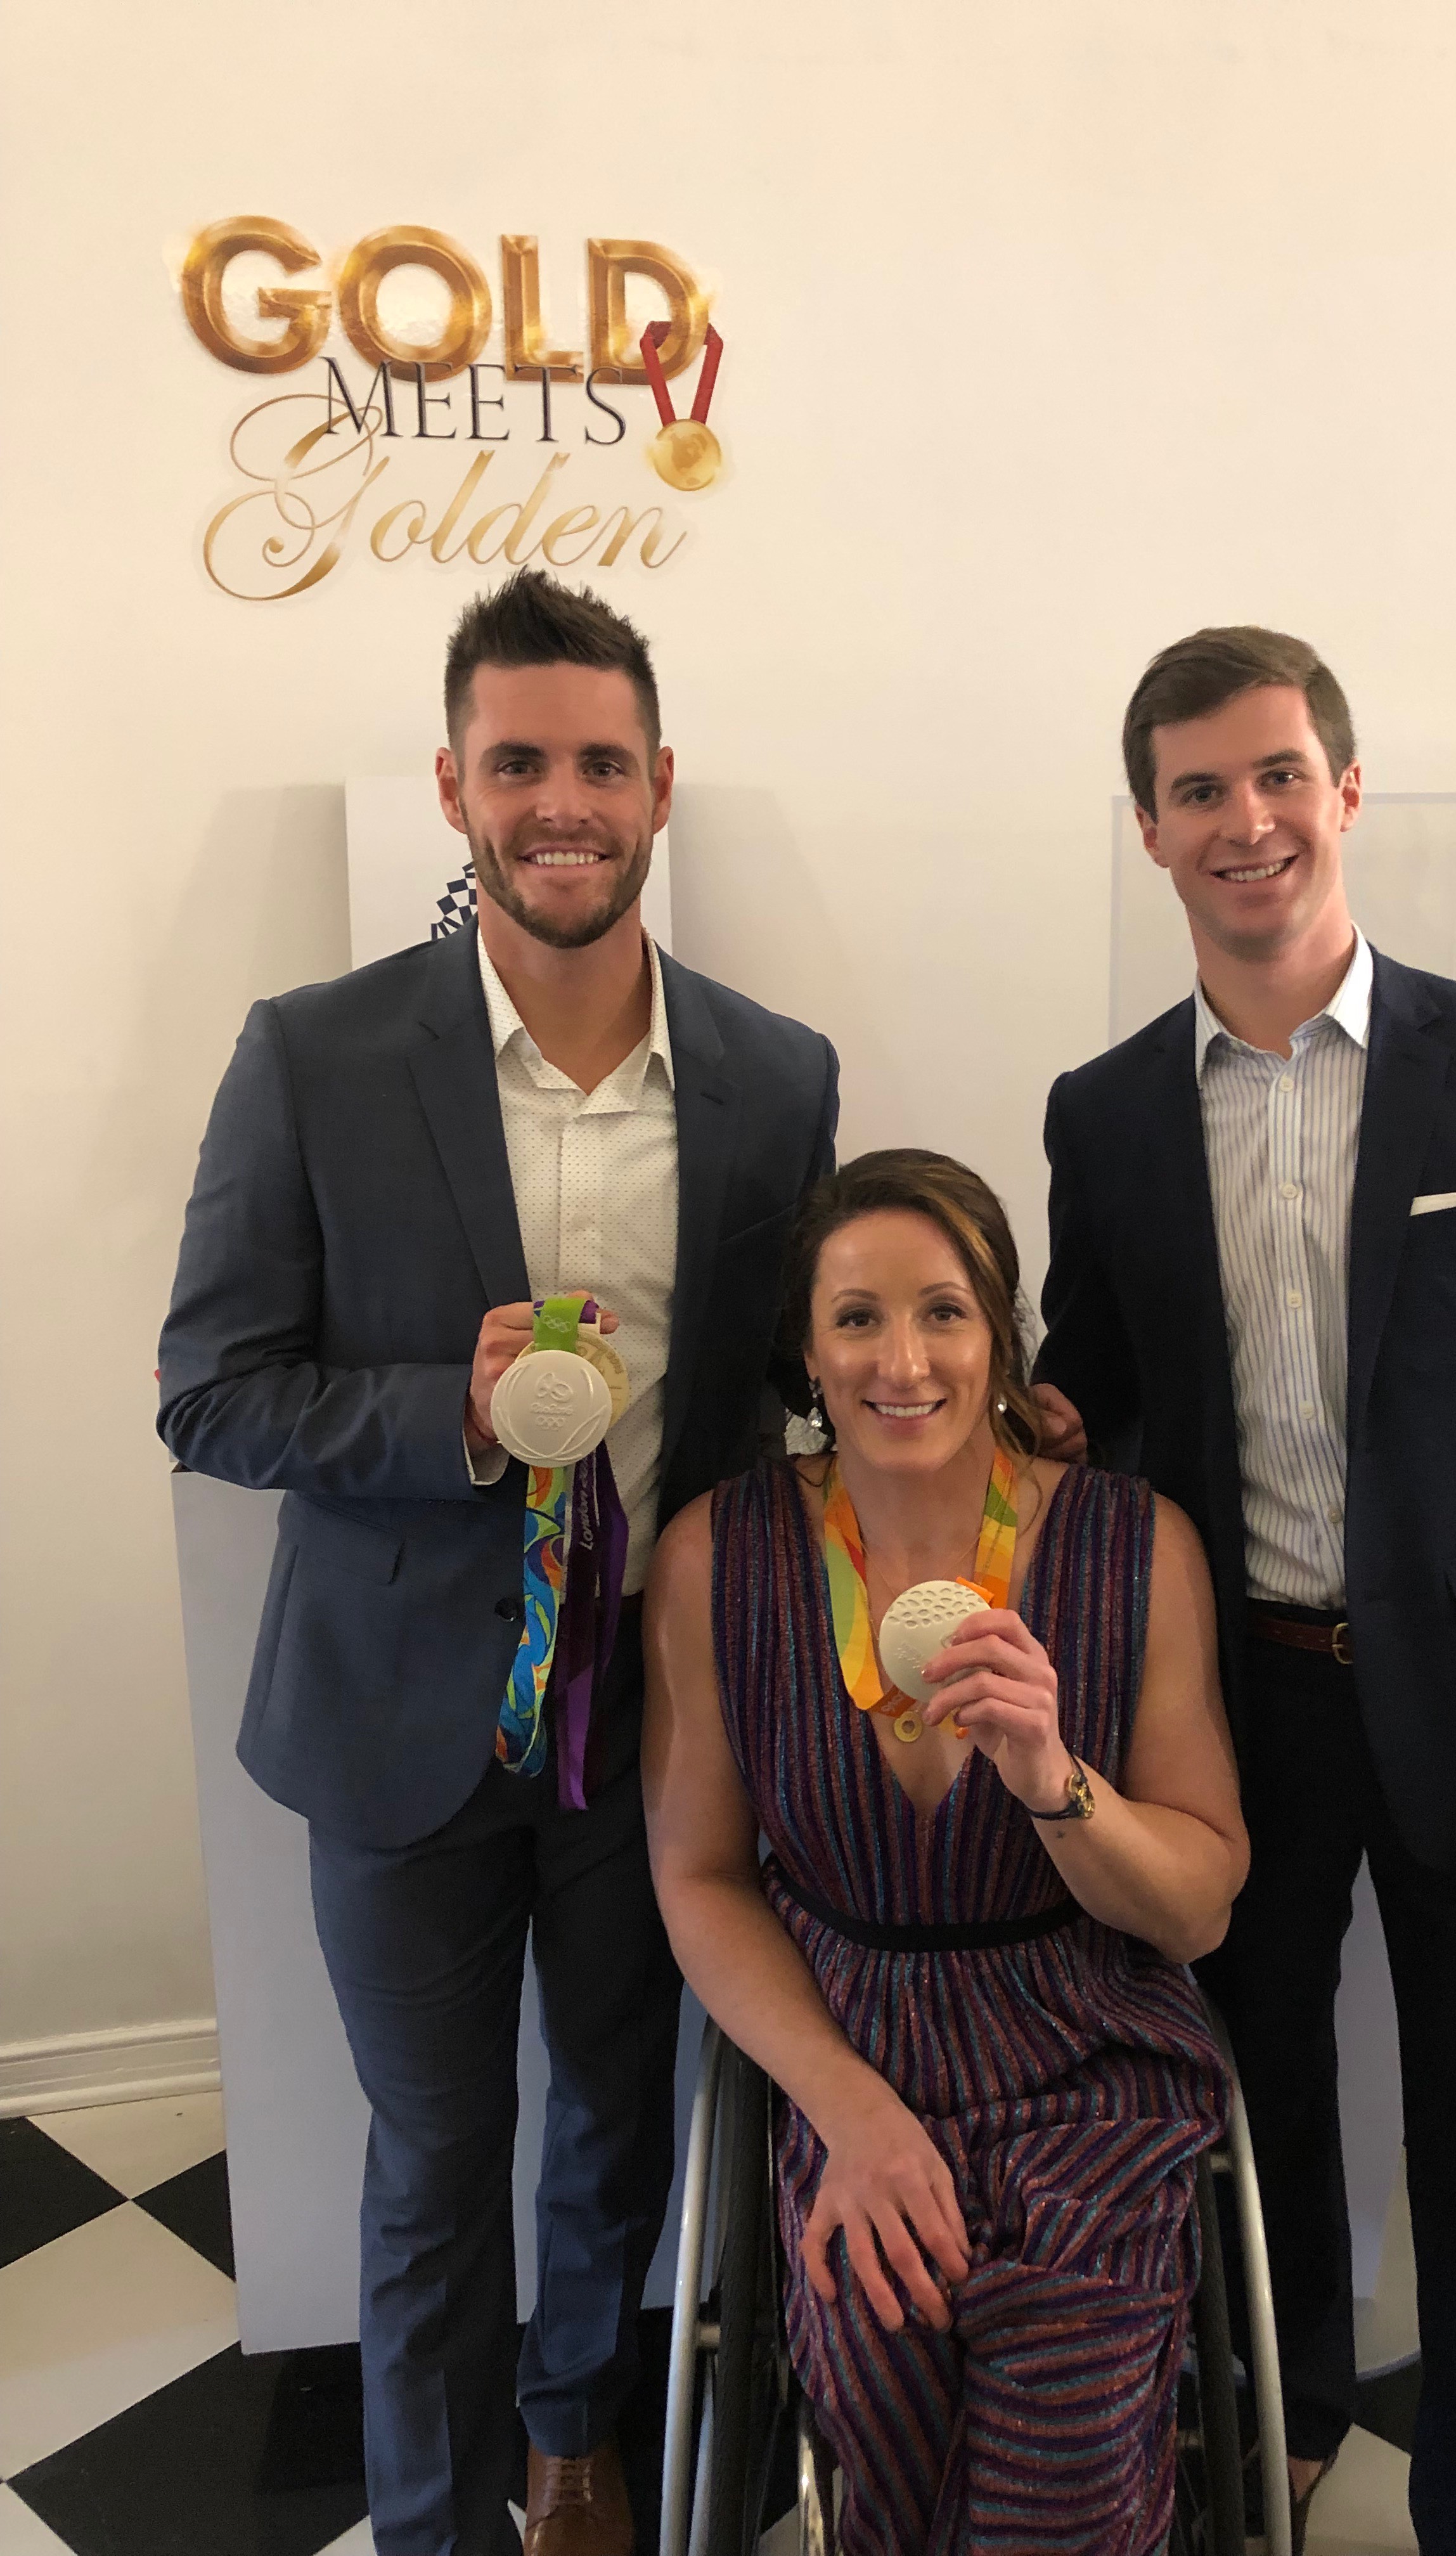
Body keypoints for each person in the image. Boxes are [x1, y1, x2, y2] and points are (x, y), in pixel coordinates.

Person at [157, 569, 837, 2556]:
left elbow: (784, 1389)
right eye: (519, 761)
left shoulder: (777, 1074)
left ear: (660, 788)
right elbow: (212, 1395)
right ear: (454, 788)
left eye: (603, 763)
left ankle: (573, 2443)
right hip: (398, 1725)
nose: (564, 802)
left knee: (616, 2120)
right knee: (438, 2156)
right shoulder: (315, 1056)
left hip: (654, 1724)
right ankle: (437, 2523)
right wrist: (447, 1420)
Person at [1033, 628, 1456, 2556]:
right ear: (1150, 830)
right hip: (1236, 1704)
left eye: (1280, 774)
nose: (1248, 821)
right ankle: (1284, 2414)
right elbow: (1098, 1392)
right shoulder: (1104, 1114)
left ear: (1348, 788)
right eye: (1200, 790)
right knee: (1257, 2091)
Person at [642, 1149, 1248, 2556]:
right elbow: (700, 1876)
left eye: (944, 1313)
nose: (902, 1361)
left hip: (1085, 2053)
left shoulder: (1134, 1547)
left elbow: (1200, 1910)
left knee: (1064, 2456)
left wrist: (1054, 1781)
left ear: (999, 1339)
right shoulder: (717, 1559)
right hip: (848, 2045)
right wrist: (850, 2116)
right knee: (876, 2382)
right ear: (807, 1351)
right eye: (857, 1318)